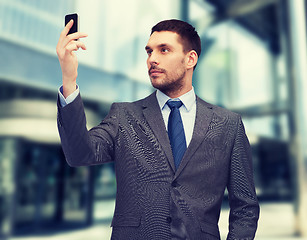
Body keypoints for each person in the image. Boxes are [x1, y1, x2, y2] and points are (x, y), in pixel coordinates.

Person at [56, 19, 259, 240]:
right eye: (149, 51)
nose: (152, 59)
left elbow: (245, 207)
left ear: (190, 59)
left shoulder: (228, 124)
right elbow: (79, 154)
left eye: (164, 50)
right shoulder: (124, 116)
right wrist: (69, 79)